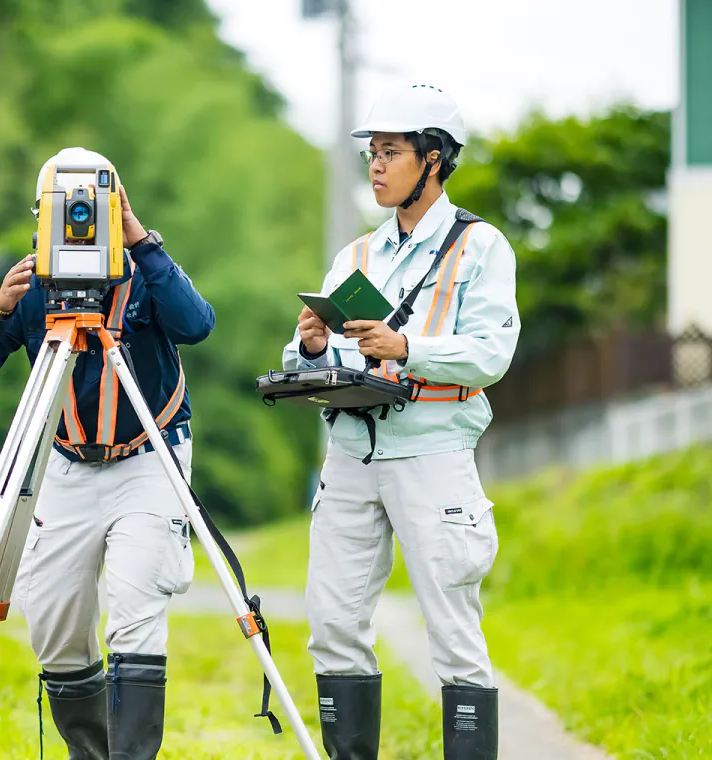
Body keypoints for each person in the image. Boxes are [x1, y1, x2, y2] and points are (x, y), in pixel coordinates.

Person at [0, 146, 215, 760]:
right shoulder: (35, 287)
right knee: (56, 624)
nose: (77, 220)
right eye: (62, 209)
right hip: (67, 464)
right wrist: (0, 307)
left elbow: (196, 324)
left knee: (135, 611)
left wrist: (141, 241)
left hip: (149, 457)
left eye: (90, 207)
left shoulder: (142, 271)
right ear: (39, 213)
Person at [280, 83, 520, 760]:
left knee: (453, 631)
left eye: (391, 152)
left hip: (434, 451)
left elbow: (490, 354)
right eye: (372, 154)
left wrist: (408, 347)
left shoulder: (482, 249)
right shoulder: (354, 256)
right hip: (350, 454)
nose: (376, 166)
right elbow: (297, 356)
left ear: (435, 158)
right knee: (331, 623)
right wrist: (313, 347)